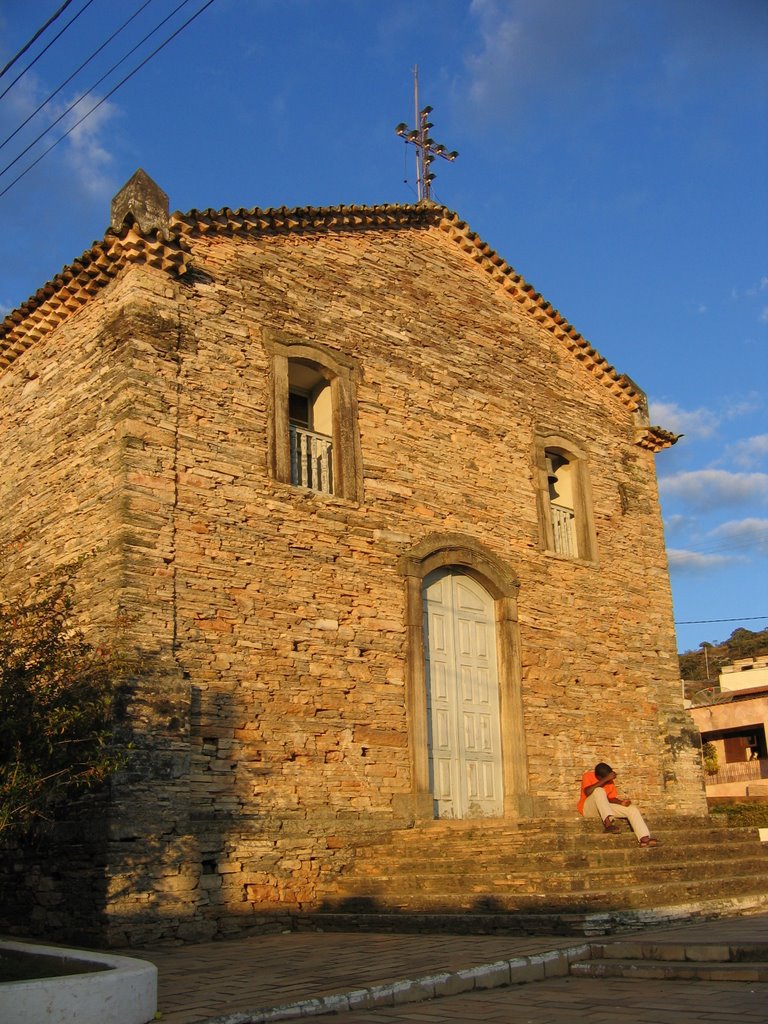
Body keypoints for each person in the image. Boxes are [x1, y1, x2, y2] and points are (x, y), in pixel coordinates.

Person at [577, 762, 659, 847]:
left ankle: (644, 839)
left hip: (604, 807)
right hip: (588, 809)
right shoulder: (588, 775)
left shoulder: (609, 781)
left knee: (632, 809)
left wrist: (621, 802)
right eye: (606, 777)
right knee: (599, 790)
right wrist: (605, 780)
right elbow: (587, 792)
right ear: (599, 777)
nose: (609, 780)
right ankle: (608, 825)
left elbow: (610, 798)